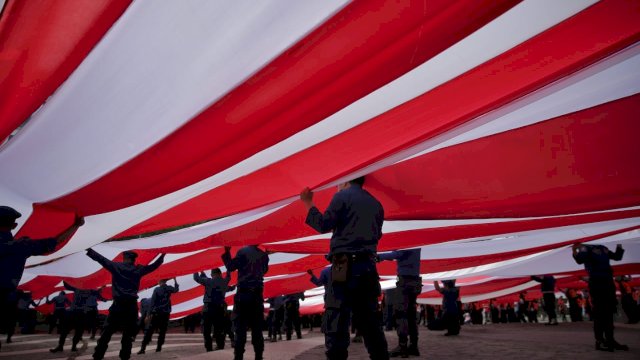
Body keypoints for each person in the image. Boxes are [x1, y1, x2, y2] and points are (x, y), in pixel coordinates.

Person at [300, 176, 389, 360]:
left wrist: (308, 203)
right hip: (368, 267)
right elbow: (377, 235)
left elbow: (323, 224)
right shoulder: (376, 204)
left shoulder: (342, 197)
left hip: (343, 266)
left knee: (337, 320)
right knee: (371, 323)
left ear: (345, 180)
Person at [0, 206, 84, 350]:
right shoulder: (20, 246)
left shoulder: (18, 245)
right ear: (14, 225)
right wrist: (75, 225)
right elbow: (52, 243)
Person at [86, 249, 165, 360]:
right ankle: (125, 356)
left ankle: (98, 355)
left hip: (118, 305)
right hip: (131, 306)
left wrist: (90, 250)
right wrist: (162, 255)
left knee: (107, 332)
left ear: (125, 258)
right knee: (128, 334)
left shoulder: (116, 266)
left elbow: (102, 260)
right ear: (133, 259)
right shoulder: (138, 269)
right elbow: (153, 266)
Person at [572, 243, 628, 351]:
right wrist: (575, 250)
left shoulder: (603, 247)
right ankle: (600, 341)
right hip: (597, 282)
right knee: (600, 313)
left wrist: (619, 246)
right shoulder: (587, 247)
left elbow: (617, 257)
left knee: (609, 312)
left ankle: (610, 340)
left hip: (608, 282)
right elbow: (579, 260)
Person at [222, 245, 269, 360]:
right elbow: (265, 270)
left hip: (243, 295)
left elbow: (231, 266)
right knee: (257, 328)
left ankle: (238, 356)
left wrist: (227, 252)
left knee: (240, 327)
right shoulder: (263, 255)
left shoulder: (242, 251)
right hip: (257, 296)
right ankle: (259, 356)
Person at [378, 249, 422, 357]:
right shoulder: (418, 243)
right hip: (415, 281)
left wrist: (379, 256)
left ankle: (402, 347)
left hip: (405, 282)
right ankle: (413, 346)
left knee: (401, 314)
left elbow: (397, 254)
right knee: (411, 315)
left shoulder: (409, 241)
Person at [50, 281, 105, 353]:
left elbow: (67, 286)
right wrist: (66, 278)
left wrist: (65, 278)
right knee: (72, 331)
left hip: (77, 313)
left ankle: (67, 346)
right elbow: (98, 292)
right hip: (78, 313)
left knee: (73, 331)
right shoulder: (87, 290)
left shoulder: (81, 289)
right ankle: (68, 346)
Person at [193, 268, 235, 351]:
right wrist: (229, 271)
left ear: (212, 274)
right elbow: (229, 282)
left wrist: (196, 269)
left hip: (208, 308)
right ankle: (220, 346)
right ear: (220, 273)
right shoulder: (224, 281)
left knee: (207, 329)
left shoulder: (209, 281)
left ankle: (209, 348)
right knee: (219, 329)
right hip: (220, 308)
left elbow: (197, 278)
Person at [138, 278, 179, 354]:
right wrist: (175, 280)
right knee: (162, 332)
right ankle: (158, 348)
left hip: (156, 313)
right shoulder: (169, 288)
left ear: (160, 281)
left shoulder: (157, 289)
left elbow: (152, 303)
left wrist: (148, 315)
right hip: (165, 314)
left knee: (149, 330)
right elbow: (176, 290)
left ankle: (143, 348)